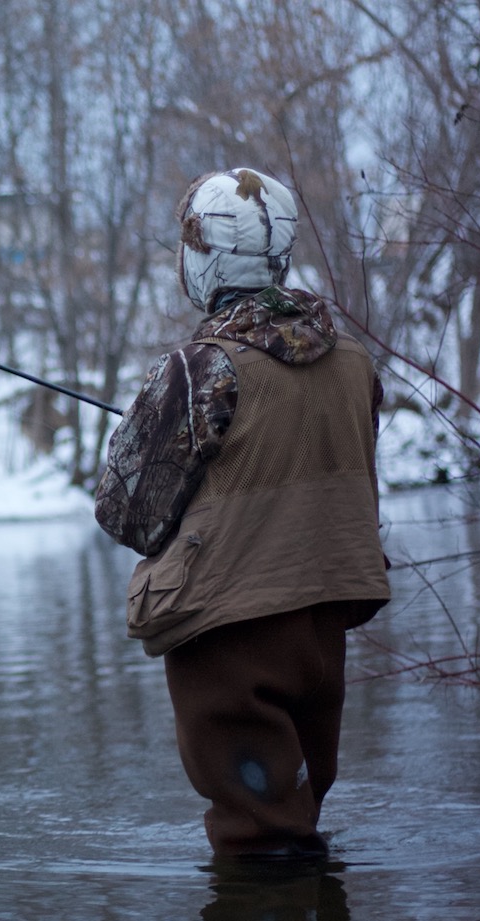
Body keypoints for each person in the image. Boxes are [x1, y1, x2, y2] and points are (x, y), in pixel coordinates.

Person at [94, 167, 391, 858]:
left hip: (233, 633)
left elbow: (124, 514)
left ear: (200, 261)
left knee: (258, 846)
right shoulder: (353, 362)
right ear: (280, 257)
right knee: (298, 822)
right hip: (325, 624)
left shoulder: (198, 371)